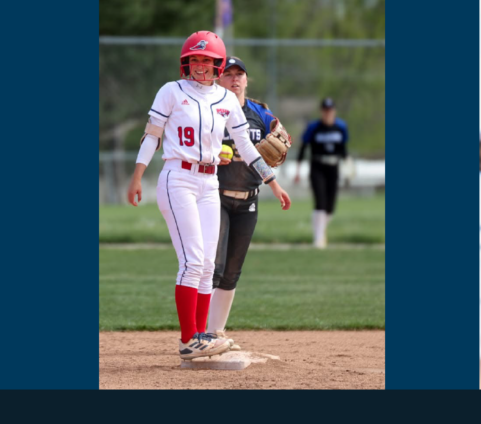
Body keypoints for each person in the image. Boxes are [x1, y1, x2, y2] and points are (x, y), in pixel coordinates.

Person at [126, 32, 291, 361]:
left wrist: (272, 182)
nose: (200, 65)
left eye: (207, 60)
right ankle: (189, 340)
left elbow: (247, 147)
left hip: (209, 182)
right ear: (185, 63)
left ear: (217, 64)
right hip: (178, 178)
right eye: (194, 59)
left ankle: (201, 336)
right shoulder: (171, 91)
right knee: (191, 262)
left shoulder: (226, 99)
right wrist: (137, 176)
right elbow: (152, 136)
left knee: (205, 265)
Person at [205, 56, 291, 350]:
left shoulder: (260, 113)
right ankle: (199, 333)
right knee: (213, 268)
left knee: (232, 271)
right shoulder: (211, 109)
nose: (234, 79)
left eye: (239, 74)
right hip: (215, 197)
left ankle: (216, 331)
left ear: (245, 79)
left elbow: (282, 141)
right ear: (219, 79)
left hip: (249, 201)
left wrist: (281, 142)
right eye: (228, 74)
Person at [294, 98, 349, 249]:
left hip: (334, 167)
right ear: (321, 111)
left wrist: (348, 166)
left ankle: (321, 231)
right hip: (317, 166)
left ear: (334, 111)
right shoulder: (314, 127)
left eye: (330, 110)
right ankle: (318, 238)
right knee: (320, 202)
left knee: (330, 207)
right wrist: (297, 171)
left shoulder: (341, 127)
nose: (328, 113)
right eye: (325, 110)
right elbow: (303, 148)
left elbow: (343, 149)